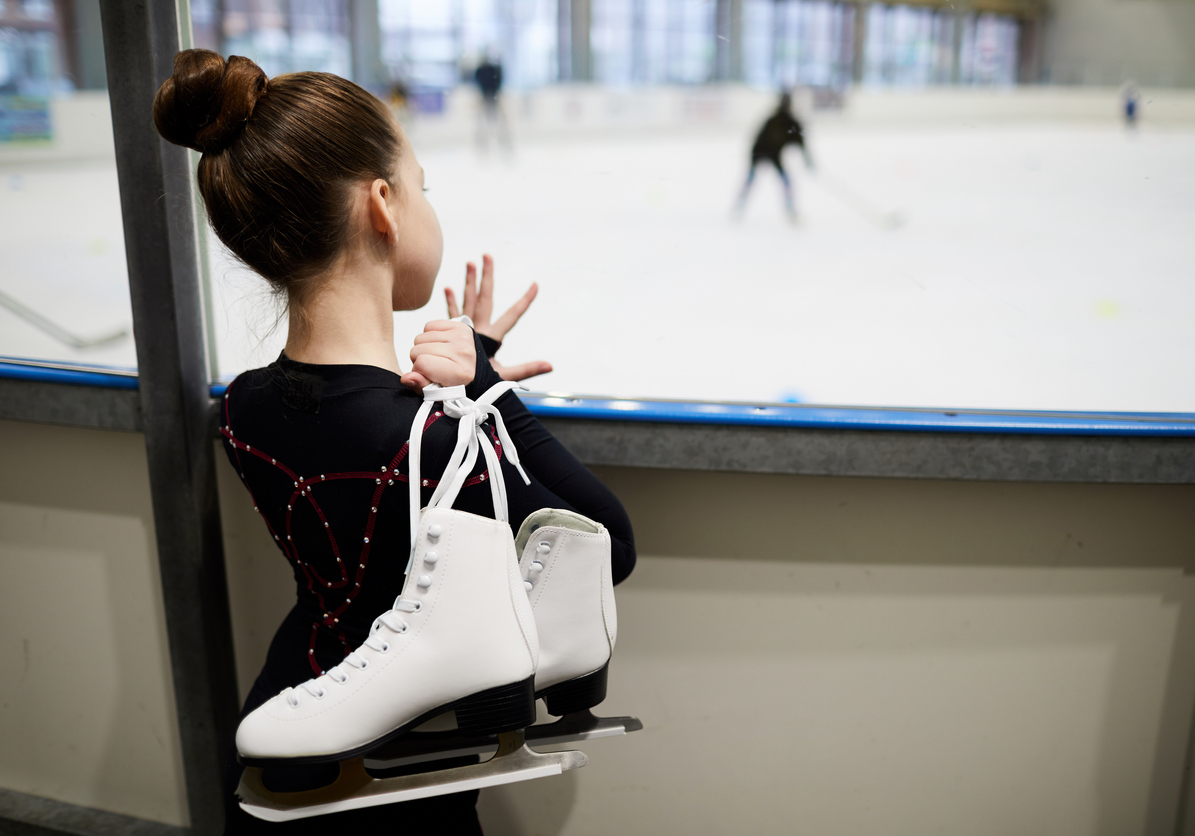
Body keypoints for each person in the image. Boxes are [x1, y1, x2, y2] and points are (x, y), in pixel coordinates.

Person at [151, 49, 636, 833]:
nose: (428, 207)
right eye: (422, 188)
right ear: (383, 205)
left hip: (283, 735)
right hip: (399, 784)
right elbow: (606, 546)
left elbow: (349, 432)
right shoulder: (431, 442)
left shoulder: (244, 409)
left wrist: (459, 398)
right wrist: (489, 397)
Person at [735, 91, 814, 222]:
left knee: (754, 180)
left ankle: (740, 205)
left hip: (766, 153)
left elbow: (800, 142)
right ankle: (790, 210)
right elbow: (801, 143)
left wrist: (807, 160)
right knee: (762, 180)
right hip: (764, 152)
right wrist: (808, 161)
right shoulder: (787, 121)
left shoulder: (779, 120)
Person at [473, 52, 510, 154]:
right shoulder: (493, 69)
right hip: (492, 96)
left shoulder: (483, 70)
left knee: (495, 122)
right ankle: (483, 145)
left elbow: (478, 79)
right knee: (486, 122)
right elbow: (498, 79)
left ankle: (499, 143)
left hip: (489, 96)